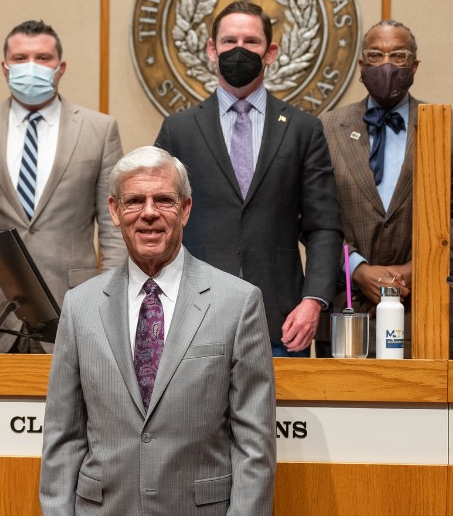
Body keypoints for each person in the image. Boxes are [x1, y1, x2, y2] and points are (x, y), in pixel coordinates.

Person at [40, 146, 276, 515]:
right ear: (114, 211)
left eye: (163, 200)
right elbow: (63, 437)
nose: (149, 213)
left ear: (186, 209)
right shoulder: (79, 306)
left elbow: (254, 446)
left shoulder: (238, 302)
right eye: (135, 201)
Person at [154, 0, 343, 357]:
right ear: (212, 49)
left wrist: (313, 301)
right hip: (192, 320)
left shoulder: (303, 130)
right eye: (229, 41)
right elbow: (157, 220)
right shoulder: (178, 130)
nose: (239, 50)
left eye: (251, 41)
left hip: (282, 324)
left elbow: (324, 226)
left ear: (270, 52)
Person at [321, 21, 453, 359]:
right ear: (361, 66)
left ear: (414, 66)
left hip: (435, 313)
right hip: (354, 316)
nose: (386, 64)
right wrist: (357, 270)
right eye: (375, 55)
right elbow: (313, 218)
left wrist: (418, 269)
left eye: (398, 56)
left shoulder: (448, 125)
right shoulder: (328, 128)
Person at [0, 20, 125, 352]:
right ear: (5, 67)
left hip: (72, 306)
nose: (31, 66)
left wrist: (111, 307)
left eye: (42, 58)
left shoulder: (99, 130)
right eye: (20, 58)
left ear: (60, 67)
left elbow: (114, 230)